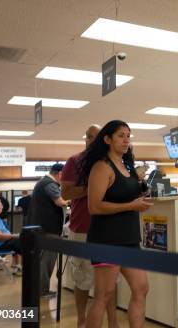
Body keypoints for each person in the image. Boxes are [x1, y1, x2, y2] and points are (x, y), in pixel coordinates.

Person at [78, 120, 152, 328]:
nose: (126, 139)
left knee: (141, 288)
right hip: (106, 239)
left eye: (128, 135)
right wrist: (130, 206)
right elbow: (94, 206)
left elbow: (126, 196)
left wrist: (139, 197)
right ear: (107, 139)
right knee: (104, 294)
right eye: (121, 135)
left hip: (129, 239)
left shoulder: (126, 166)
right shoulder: (102, 167)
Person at [62, 125, 120, 328]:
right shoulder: (75, 161)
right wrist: (93, 187)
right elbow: (66, 194)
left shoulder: (112, 161)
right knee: (83, 279)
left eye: (96, 137)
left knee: (110, 282)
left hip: (109, 228)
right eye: (88, 136)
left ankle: (113, 322)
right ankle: (81, 321)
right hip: (82, 228)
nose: (91, 140)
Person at [28, 163, 67, 297]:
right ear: (60, 174)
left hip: (41, 228)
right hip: (49, 229)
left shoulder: (42, 182)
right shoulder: (50, 184)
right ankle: (43, 290)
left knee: (42, 260)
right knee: (47, 261)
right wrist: (74, 201)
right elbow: (60, 202)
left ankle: (39, 289)